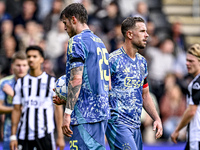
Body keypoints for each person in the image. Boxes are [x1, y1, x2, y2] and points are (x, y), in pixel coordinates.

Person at [53, 3, 110, 149]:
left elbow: (76, 79)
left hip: (84, 115)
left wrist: (67, 113)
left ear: (73, 19)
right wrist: (66, 97)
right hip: (101, 112)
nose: (65, 28)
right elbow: (102, 82)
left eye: (65, 23)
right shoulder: (100, 43)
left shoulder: (76, 41)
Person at [106, 17, 163, 150]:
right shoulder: (112, 60)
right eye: (142, 31)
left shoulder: (142, 62)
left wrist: (156, 118)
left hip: (136, 126)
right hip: (118, 124)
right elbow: (101, 91)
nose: (147, 35)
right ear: (130, 34)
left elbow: (145, 95)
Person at [10, 45, 65, 150]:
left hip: (45, 135)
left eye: (34, 56)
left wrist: (60, 136)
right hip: (24, 135)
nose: (31, 59)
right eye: (29, 56)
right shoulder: (20, 83)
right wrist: (13, 136)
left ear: (41, 60)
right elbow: (16, 110)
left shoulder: (52, 82)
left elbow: (58, 109)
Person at [171, 43, 200, 150]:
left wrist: (177, 130)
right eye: (187, 60)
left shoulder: (196, 84)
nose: (187, 64)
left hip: (197, 136)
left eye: (191, 61)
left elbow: (192, 111)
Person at [0, 51, 29, 150]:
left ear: (28, 66)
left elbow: (30, 107)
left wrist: (13, 94)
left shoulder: (33, 83)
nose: (21, 68)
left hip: (31, 132)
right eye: (18, 65)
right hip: (10, 132)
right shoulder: (4, 83)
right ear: (12, 66)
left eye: (24, 65)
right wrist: (16, 109)